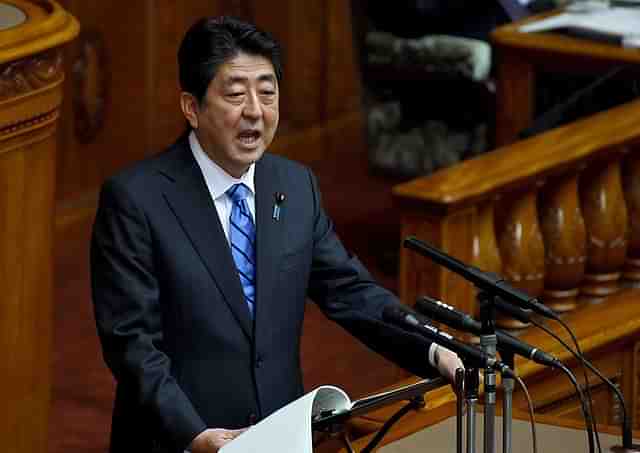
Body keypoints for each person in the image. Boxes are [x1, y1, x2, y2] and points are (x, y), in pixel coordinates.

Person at [90, 16, 463, 453]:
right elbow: (132, 344)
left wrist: (433, 350)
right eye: (235, 94)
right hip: (178, 441)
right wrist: (193, 435)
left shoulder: (294, 186)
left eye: (267, 92)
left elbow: (350, 291)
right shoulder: (136, 199)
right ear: (191, 107)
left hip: (278, 437)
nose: (255, 110)